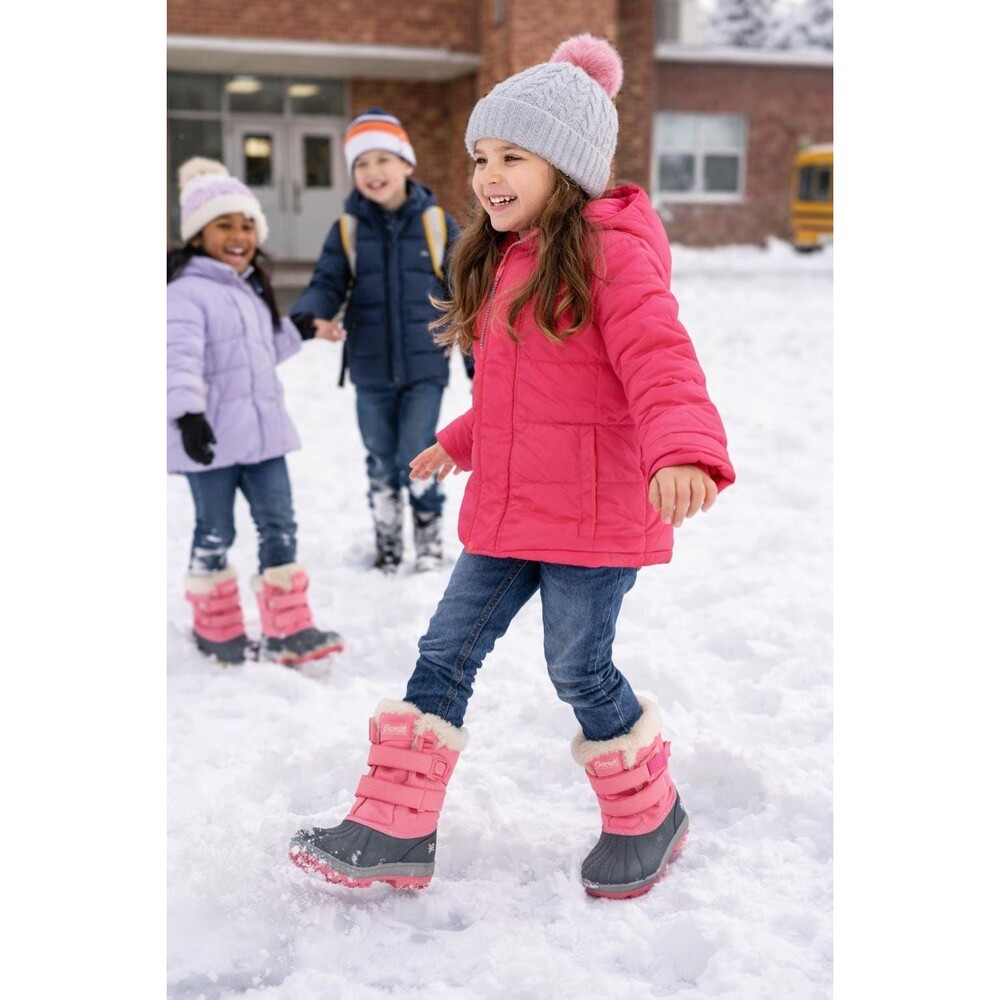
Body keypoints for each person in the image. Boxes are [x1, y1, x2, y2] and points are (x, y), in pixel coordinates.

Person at [289, 35, 735, 899]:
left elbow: (661, 360)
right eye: (481, 157)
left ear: (565, 167)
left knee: (577, 666)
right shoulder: (507, 257)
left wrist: (685, 448)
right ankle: (392, 827)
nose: (489, 174)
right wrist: (462, 438)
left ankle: (650, 812)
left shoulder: (613, 253)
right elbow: (524, 390)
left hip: (595, 514)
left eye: (512, 156)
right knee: (444, 650)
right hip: (512, 505)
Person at [168, 157, 344, 667]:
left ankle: (289, 629)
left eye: (247, 224)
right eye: (225, 224)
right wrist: (188, 416)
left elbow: (263, 349)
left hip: (264, 440)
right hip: (213, 440)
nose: (240, 234)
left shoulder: (248, 290)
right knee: (215, 530)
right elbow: (176, 360)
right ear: (198, 235)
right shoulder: (184, 295)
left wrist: (305, 329)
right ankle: (215, 627)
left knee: (280, 525)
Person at [290, 110, 469, 575]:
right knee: (380, 456)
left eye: (383, 159)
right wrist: (313, 314)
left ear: (407, 164)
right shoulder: (347, 229)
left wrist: (479, 364)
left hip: (425, 366)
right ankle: (388, 541)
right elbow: (328, 281)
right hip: (369, 367)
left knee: (419, 449)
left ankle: (428, 542)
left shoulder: (437, 224)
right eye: (362, 163)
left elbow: (468, 297)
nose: (373, 172)